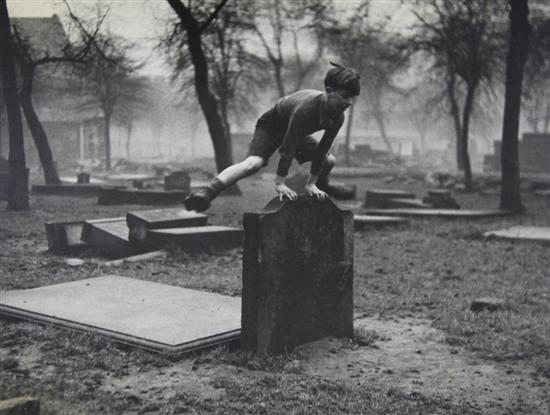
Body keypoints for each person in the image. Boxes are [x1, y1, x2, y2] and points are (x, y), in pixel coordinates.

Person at [184, 62, 360, 212]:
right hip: (271, 126)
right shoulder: (305, 110)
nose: (349, 102)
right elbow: (287, 148)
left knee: (329, 161)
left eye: (352, 97)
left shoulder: (338, 116)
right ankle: (207, 192)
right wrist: (280, 183)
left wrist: (311, 183)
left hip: (295, 131)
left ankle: (321, 185)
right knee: (253, 164)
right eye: (345, 96)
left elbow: (322, 149)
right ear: (329, 91)